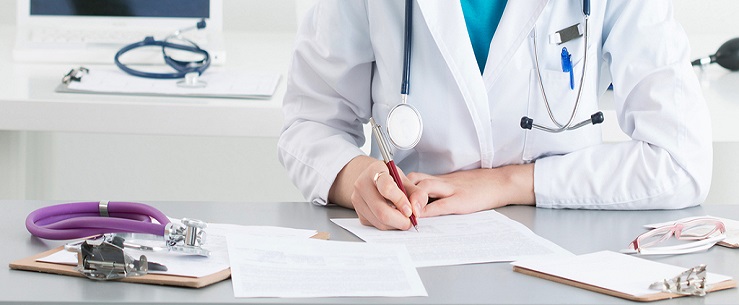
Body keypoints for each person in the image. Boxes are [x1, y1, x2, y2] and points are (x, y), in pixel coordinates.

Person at [278, 0, 713, 230]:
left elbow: (681, 160)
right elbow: (310, 122)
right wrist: (359, 178)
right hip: (414, 244)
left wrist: (509, 182)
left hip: (567, 254)